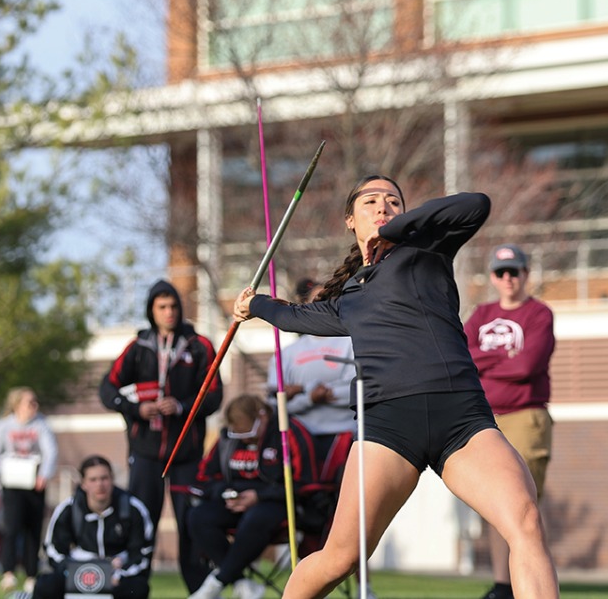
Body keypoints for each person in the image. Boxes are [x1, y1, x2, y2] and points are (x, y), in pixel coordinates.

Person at [233, 176, 558, 598]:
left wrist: (392, 230)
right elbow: (297, 317)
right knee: (341, 558)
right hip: (387, 428)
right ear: (350, 220)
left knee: (526, 521)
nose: (383, 206)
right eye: (370, 201)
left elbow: (475, 203)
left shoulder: (428, 249)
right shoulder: (348, 297)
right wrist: (255, 304)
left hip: (461, 418)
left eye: (393, 201)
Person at [99, 279, 222, 593]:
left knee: (190, 524)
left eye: (173, 306)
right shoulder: (138, 347)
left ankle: (199, 590)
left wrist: (182, 406)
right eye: (162, 307)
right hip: (146, 455)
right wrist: (136, 410)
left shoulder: (199, 345)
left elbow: (214, 395)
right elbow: (107, 389)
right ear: (151, 311)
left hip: (187, 455)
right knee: (141, 523)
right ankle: (134, 589)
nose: (169, 313)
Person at [464, 243, 556, 599]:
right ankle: (503, 586)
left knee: (525, 509)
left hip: (524, 417)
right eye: (501, 272)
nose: (508, 279)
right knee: (494, 505)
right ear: (491, 277)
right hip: (485, 419)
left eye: (514, 271)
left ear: (525, 274)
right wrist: (504, 355)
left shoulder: (539, 314)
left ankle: (530, 588)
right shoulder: (481, 314)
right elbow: (462, 355)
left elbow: (526, 367)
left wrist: (485, 358)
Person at [186, 394, 319, 599]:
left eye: (248, 432)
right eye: (239, 434)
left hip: (277, 505)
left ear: (262, 416)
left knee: (256, 517)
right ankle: (241, 582)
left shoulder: (288, 432)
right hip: (235, 503)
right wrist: (226, 493)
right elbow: (204, 478)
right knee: (198, 517)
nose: (245, 439)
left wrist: (258, 495)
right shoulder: (226, 439)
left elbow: (304, 483)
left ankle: (215, 584)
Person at [265, 277, 357, 463]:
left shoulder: (352, 342)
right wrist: (310, 397)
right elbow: (274, 401)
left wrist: (301, 390)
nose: (321, 303)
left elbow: (359, 389)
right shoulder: (287, 354)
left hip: (347, 436)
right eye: (315, 299)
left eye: (327, 298)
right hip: (300, 440)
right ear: (304, 305)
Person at [36, 455, 153, 599]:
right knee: (45, 585)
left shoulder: (133, 508)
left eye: (104, 478)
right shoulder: (68, 509)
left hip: (117, 576)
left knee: (138, 588)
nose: (100, 485)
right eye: (93, 480)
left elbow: (142, 553)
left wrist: (118, 574)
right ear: (83, 483)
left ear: (112, 480)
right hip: (77, 572)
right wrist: (76, 571)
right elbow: (53, 549)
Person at [0, 386, 59, 594]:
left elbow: (50, 451)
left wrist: (44, 475)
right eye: (29, 402)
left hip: (34, 485)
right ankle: (8, 572)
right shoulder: (4, 426)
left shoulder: (41, 424)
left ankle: (31, 574)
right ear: (17, 405)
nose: (34, 406)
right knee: (11, 528)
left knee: (33, 530)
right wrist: (3, 473)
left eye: (35, 402)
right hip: (12, 485)